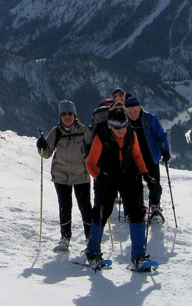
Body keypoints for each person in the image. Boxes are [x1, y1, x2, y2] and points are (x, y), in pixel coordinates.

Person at [84, 104, 156, 269]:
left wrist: (146, 174)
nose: (121, 130)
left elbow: (137, 156)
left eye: (123, 125)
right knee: (102, 213)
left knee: (137, 212)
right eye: (117, 127)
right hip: (108, 178)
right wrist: (99, 177)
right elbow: (91, 163)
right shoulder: (101, 136)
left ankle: (139, 255)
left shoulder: (131, 134)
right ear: (109, 124)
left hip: (128, 176)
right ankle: (93, 252)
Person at [36, 100, 92, 251]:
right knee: (65, 207)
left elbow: (92, 152)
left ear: (75, 115)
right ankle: (65, 237)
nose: (67, 117)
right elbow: (46, 153)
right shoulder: (56, 132)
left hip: (81, 174)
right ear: (60, 116)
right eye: (64, 114)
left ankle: (90, 238)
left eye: (70, 114)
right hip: (61, 175)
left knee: (85, 207)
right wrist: (41, 146)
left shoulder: (84, 131)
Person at [125, 95, 171, 222]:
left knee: (154, 184)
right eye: (130, 112)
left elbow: (161, 135)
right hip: (133, 159)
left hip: (150, 157)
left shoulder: (149, 119)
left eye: (135, 110)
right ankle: (137, 209)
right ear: (126, 111)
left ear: (140, 108)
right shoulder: (124, 123)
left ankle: (155, 207)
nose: (133, 114)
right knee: (135, 186)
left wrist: (165, 150)